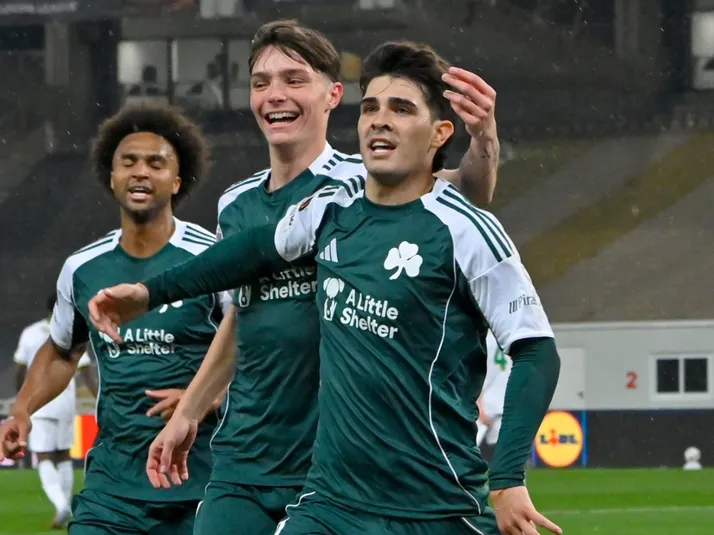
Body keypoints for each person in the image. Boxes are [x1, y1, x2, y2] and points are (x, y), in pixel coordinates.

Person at [86, 41, 562, 535]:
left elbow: (536, 351)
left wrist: (507, 479)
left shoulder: (463, 229)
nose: (380, 120)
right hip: (330, 501)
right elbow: (251, 253)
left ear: (439, 133)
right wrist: (149, 294)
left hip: (436, 503)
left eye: (401, 109)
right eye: (371, 108)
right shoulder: (330, 208)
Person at [0, 101, 228, 535]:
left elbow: (255, 347)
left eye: (156, 163)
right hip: (112, 488)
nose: (141, 172)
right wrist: (23, 410)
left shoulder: (213, 259)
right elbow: (63, 352)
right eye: (129, 161)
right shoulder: (82, 268)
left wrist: (203, 398)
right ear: (112, 176)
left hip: (200, 483)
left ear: (177, 181)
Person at [13, 293, 97, 529]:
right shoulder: (71, 332)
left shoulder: (30, 333)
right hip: (66, 401)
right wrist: (99, 397)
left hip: (39, 402)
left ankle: (61, 505)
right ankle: (67, 506)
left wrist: (21, 403)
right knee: (63, 454)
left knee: (43, 456)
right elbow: (86, 371)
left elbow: (20, 370)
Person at [476, 331, 512, 457]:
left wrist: (478, 405)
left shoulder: (482, 341)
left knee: (467, 451)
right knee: (503, 454)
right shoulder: (512, 341)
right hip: (504, 405)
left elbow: (475, 375)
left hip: (483, 403)